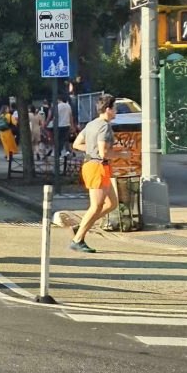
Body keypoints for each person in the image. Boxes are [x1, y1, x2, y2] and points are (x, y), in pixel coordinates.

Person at [70, 93, 127, 253]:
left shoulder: (91, 124)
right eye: (115, 108)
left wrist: (91, 150)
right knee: (96, 206)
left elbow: (76, 144)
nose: (116, 111)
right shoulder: (104, 126)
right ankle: (77, 240)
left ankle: (83, 225)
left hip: (94, 165)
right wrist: (122, 155)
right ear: (108, 109)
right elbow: (103, 153)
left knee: (112, 204)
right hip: (97, 167)